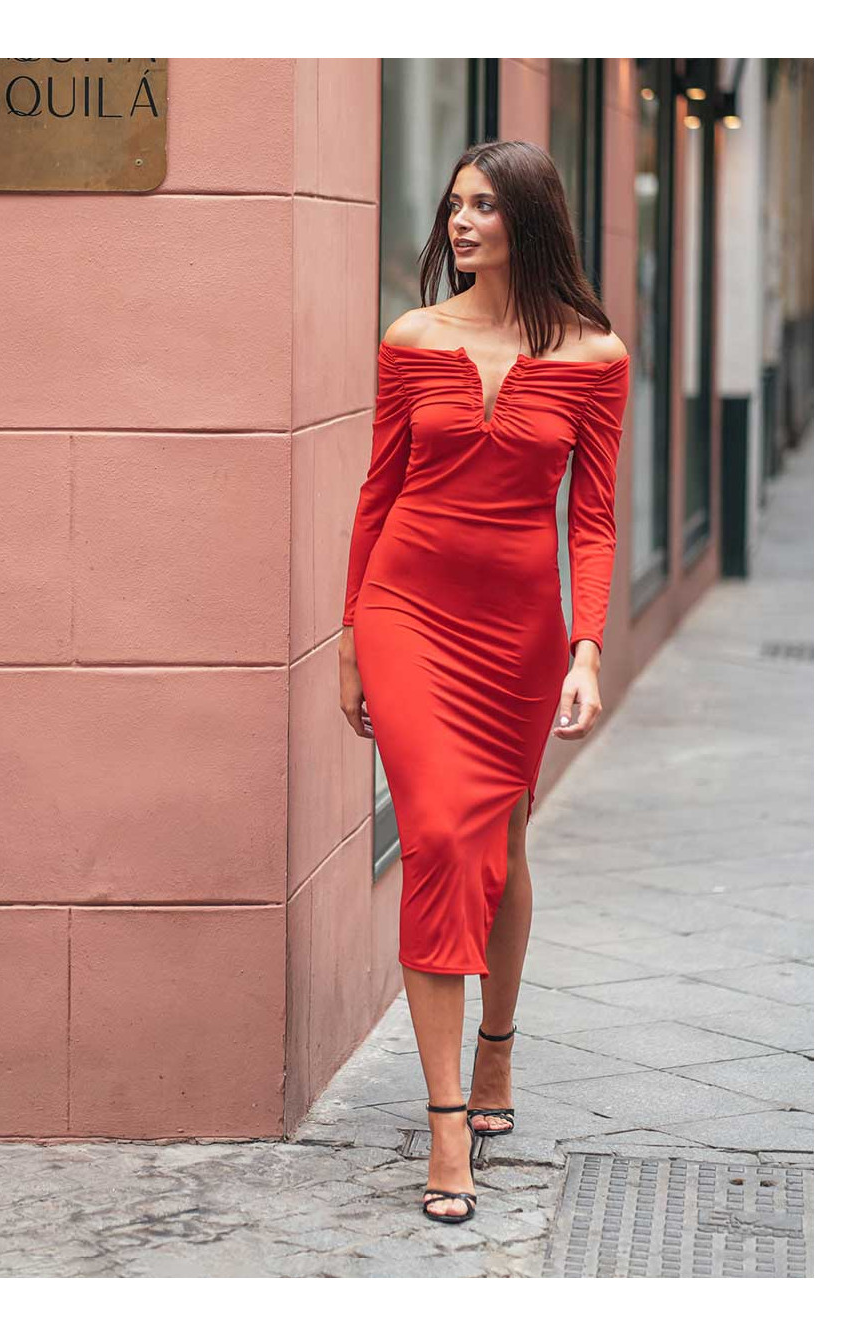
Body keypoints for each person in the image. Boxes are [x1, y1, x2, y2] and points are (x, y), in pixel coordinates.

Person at [337, 140, 630, 1224]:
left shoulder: (595, 357)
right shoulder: (411, 339)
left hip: (518, 632)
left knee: (499, 841)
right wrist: (346, 635)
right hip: (406, 612)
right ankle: (446, 1119)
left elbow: (592, 519)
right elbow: (376, 495)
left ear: (529, 220)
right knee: (436, 840)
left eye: (482, 207)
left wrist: (585, 647)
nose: (459, 223)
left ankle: (496, 1050)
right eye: (452, 204)